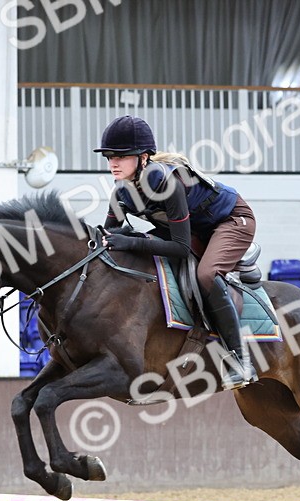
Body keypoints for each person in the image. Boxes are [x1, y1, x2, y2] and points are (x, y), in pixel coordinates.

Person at [94, 115, 257, 389]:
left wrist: (131, 240)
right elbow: (110, 237)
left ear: (144, 157)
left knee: (206, 275)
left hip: (231, 221)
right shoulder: (121, 192)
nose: (113, 163)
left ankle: (240, 360)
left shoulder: (167, 182)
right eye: (109, 156)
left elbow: (180, 249)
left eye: (121, 156)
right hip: (191, 230)